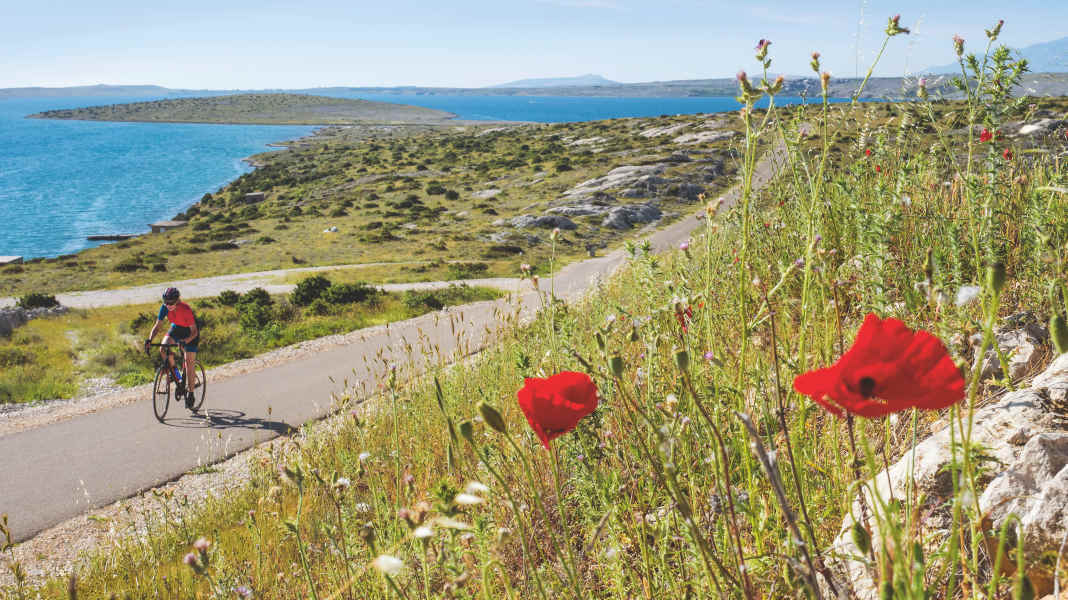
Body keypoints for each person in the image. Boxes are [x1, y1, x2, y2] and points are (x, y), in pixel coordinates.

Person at [145, 287, 200, 409]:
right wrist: (149, 340)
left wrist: (185, 342)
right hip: (176, 328)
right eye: (166, 302)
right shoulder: (164, 307)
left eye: (171, 302)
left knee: (189, 362)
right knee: (163, 348)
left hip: (190, 333)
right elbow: (157, 325)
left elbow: (194, 332)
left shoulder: (185, 309)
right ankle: (175, 374)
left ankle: (191, 393)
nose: (168, 305)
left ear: (177, 300)